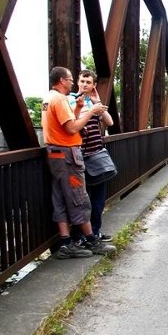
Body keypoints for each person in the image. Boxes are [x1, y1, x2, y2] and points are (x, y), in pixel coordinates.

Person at [42, 66, 115, 259]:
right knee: (79, 198)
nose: (74, 82)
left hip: (55, 154)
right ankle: (90, 239)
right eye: (71, 79)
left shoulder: (49, 98)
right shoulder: (59, 99)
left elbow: (67, 122)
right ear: (62, 81)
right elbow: (72, 128)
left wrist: (80, 108)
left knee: (60, 198)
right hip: (67, 155)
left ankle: (66, 243)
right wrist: (91, 112)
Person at [73, 69, 114, 243]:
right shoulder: (70, 100)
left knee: (98, 200)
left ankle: (94, 232)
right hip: (79, 157)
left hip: (96, 155)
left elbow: (110, 122)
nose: (84, 85)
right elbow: (72, 125)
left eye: (88, 82)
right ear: (77, 82)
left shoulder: (93, 102)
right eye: (82, 81)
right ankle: (80, 236)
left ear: (94, 85)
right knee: (81, 200)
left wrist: (98, 103)